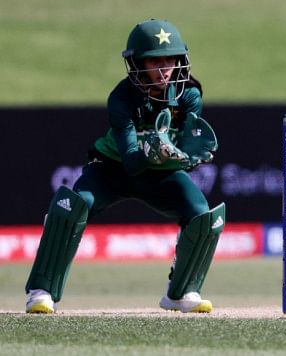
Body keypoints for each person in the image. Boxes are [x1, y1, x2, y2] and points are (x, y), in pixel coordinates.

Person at [25, 19, 222, 314]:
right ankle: (41, 291)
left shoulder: (190, 94)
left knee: (202, 215)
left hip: (162, 175)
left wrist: (189, 156)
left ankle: (181, 293)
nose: (165, 68)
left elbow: (188, 142)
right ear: (138, 63)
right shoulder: (122, 98)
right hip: (112, 169)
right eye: (155, 61)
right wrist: (151, 151)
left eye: (170, 59)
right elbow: (130, 160)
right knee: (73, 205)